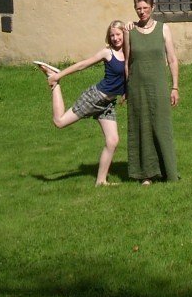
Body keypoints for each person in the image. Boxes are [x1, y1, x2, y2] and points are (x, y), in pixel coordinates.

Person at [34, 20, 126, 186]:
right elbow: (82, 65)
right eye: (112, 35)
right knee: (59, 122)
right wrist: (60, 75)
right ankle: (54, 81)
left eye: (118, 34)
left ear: (124, 34)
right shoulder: (108, 53)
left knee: (112, 141)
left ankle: (101, 181)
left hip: (108, 104)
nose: (115, 38)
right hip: (95, 97)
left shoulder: (130, 52)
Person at [124, 0, 179, 184]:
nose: (142, 12)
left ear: (152, 7)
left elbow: (172, 59)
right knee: (142, 128)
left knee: (161, 127)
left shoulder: (163, 29)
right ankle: (146, 174)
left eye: (145, 8)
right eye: (138, 8)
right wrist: (126, 87)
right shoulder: (129, 31)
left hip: (159, 86)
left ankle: (168, 172)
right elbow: (127, 62)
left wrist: (175, 87)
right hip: (137, 87)